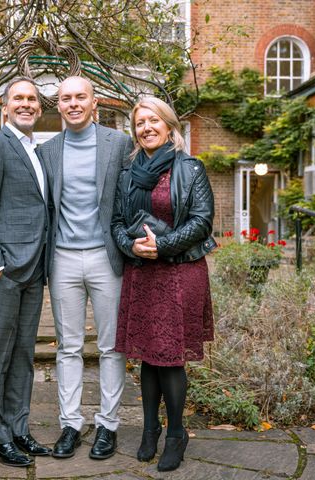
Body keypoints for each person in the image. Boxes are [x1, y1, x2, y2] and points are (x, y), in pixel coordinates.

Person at [111, 96, 216, 472]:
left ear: (169, 126)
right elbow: (116, 224)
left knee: (169, 358)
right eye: (140, 123)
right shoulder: (128, 173)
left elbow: (202, 221)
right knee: (146, 356)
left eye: (153, 120)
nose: (147, 128)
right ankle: (149, 430)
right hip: (142, 271)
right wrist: (131, 244)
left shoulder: (190, 168)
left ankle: (176, 434)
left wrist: (162, 244)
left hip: (178, 272)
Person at [38, 76, 133, 460]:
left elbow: (132, 197)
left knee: (111, 346)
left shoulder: (119, 143)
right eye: (66, 98)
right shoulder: (48, 150)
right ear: (58, 106)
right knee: (69, 346)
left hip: (105, 256)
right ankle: (70, 423)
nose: (73, 103)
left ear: (95, 103)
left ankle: (108, 424)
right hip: (62, 256)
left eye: (81, 97)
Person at [0, 77, 52, 467]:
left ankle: (19, 429)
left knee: (23, 354)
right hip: (6, 271)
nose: (26, 104)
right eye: (18, 98)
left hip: (34, 269)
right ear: (5, 107)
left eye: (32, 99)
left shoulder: (38, 149)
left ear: (39, 106)